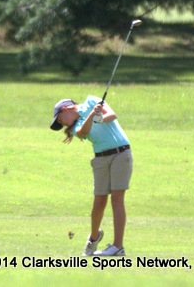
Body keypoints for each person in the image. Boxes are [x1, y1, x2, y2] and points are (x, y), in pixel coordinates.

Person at [51, 95, 133, 257]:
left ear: (65, 109)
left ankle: (118, 246)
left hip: (121, 153)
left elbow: (112, 115)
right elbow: (83, 132)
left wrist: (99, 117)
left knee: (117, 199)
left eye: (60, 120)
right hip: (100, 158)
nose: (63, 124)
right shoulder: (75, 127)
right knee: (99, 201)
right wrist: (92, 115)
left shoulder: (91, 101)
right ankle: (94, 238)